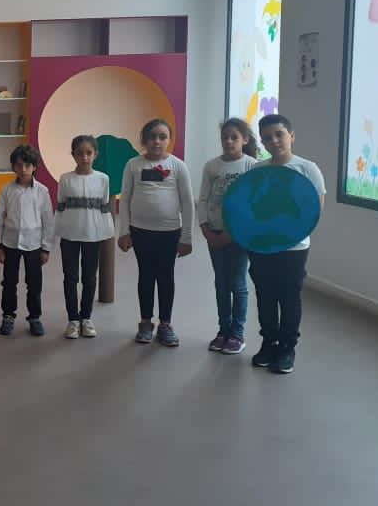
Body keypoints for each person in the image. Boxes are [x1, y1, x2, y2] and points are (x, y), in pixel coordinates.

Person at [248, 114, 325, 374]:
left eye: (278, 135)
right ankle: (269, 343)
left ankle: (287, 348)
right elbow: (250, 207)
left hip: (293, 248)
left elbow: (314, 212)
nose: (273, 141)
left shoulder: (307, 169)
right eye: (267, 138)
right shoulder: (257, 170)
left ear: (291, 136)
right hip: (261, 245)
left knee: (289, 297)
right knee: (265, 295)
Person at [117, 118, 194, 347]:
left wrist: (186, 237)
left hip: (169, 233)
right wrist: (124, 232)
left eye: (162, 137)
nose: (157, 141)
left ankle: (165, 324)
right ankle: (145, 322)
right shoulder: (133, 165)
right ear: (144, 140)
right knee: (146, 275)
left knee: (166, 276)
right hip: (140, 232)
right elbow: (125, 199)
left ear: (169, 140)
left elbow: (188, 203)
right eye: (152, 137)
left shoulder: (178, 166)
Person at [197, 118, 258, 355]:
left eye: (234, 137)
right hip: (214, 233)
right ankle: (223, 330)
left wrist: (233, 233)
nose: (229, 141)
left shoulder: (252, 166)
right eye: (225, 137)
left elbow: (254, 205)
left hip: (239, 236)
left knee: (238, 284)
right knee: (221, 283)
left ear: (245, 139)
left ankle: (237, 333)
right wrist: (205, 228)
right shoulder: (212, 166)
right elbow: (203, 199)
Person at [55, 135, 114, 339]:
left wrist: (107, 232)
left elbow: (104, 207)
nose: (84, 157)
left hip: (93, 235)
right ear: (73, 155)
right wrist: (57, 232)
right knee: (70, 278)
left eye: (89, 153)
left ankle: (86, 318)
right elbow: (60, 206)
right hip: (69, 236)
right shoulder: (65, 179)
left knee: (89, 278)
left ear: (95, 154)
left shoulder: (103, 179)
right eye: (80, 153)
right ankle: (73, 319)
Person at [0, 144, 54, 336]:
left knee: (34, 284)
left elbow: (48, 220)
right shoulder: (6, 190)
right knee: (9, 282)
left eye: (27, 165)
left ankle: (34, 317)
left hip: (34, 245)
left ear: (34, 167)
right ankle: (8, 316)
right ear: (13, 167)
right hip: (10, 244)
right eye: (19, 165)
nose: (23, 169)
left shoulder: (42, 191)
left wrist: (46, 248)